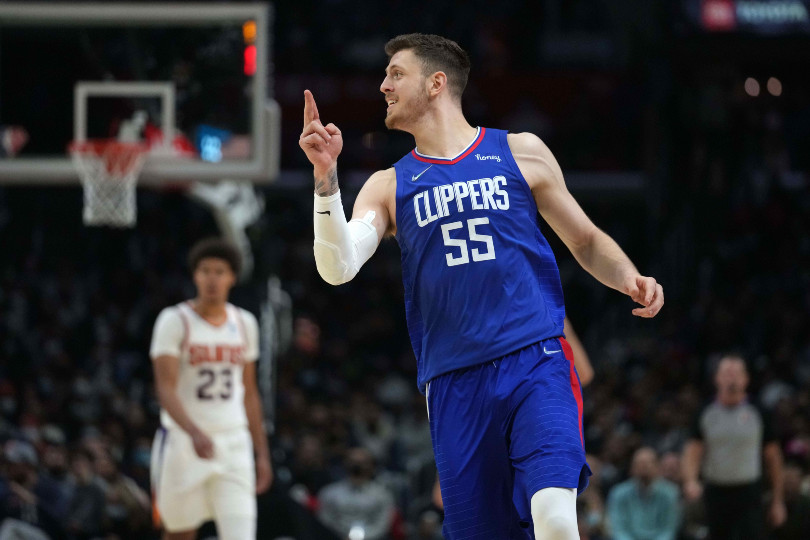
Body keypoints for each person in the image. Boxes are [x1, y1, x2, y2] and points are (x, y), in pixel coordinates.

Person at [299, 33, 664, 540]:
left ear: (436, 83)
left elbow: (584, 239)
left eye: (396, 74)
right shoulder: (389, 184)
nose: (384, 85)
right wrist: (326, 178)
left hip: (535, 358)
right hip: (454, 381)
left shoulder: (520, 151)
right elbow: (337, 267)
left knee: (556, 519)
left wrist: (628, 277)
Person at [150, 237, 273, 540]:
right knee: (179, 534)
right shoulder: (174, 320)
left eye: (219, 272)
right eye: (205, 271)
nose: (212, 279)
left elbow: (250, 392)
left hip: (233, 442)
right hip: (183, 441)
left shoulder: (244, 323)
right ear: (195, 276)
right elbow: (165, 389)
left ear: (232, 277)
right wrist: (193, 431)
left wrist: (262, 453)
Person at [682, 354, 786, 540]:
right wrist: (690, 480)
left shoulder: (759, 411)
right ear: (717, 378)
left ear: (746, 379)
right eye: (727, 373)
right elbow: (693, 451)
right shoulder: (705, 411)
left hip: (749, 491)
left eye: (736, 374)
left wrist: (778, 500)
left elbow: (773, 457)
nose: (732, 379)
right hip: (715, 490)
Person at [317, 447, 395, 540]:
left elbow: (382, 525)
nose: (357, 466)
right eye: (353, 461)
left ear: (371, 466)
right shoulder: (329, 493)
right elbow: (325, 522)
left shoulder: (382, 495)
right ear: (345, 463)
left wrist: (358, 538)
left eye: (362, 462)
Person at [605, 447, 680, 540]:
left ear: (657, 467)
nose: (643, 467)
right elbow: (618, 529)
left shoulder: (670, 493)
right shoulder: (618, 493)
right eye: (639, 463)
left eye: (647, 463)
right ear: (632, 468)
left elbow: (668, 530)